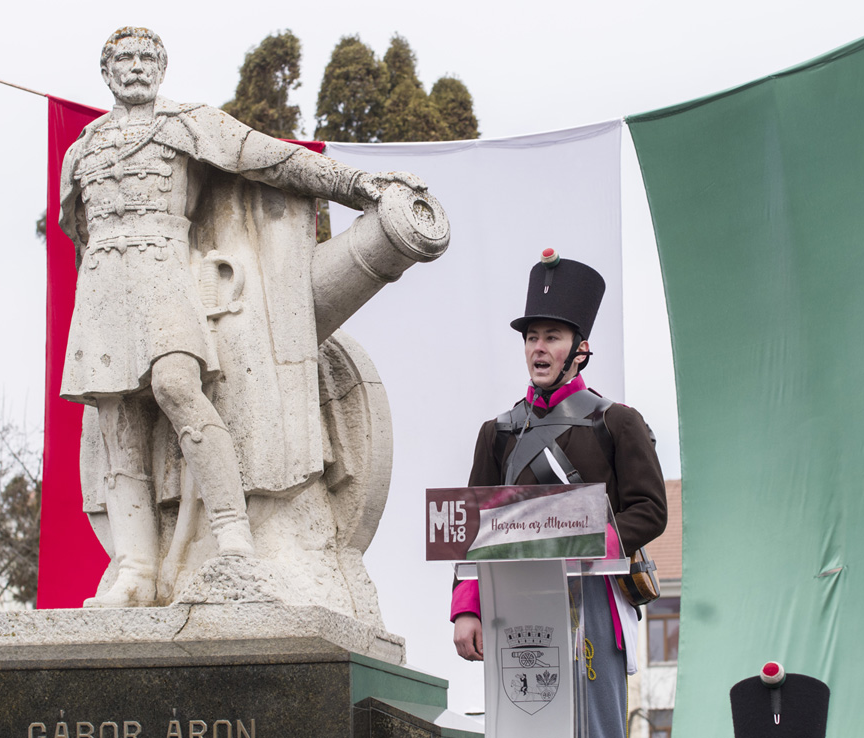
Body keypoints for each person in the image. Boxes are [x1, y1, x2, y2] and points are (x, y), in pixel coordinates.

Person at [60, 27, 426, 607]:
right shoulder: (82, 149)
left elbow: (272, 160)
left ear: (161, 67)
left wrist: (357, 184)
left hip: (164, 271)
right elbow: (78, 232)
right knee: (118, 425)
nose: (135, 68)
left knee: (176, 387)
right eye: (123, 59)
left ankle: (233, 536)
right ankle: (136, 568)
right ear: (106, 72)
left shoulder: (185, 125)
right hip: (103, 284)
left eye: (146, 58)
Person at [450, 249, 668, 737]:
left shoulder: (618, 422)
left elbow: (650, 511)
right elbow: (473, 529)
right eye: (532, 338)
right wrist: (467, 607)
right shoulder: (498, 432)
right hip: (514, 599)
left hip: (594, 598)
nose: (539, 348)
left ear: (580, 348)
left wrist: (587, 543)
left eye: (552, 337)